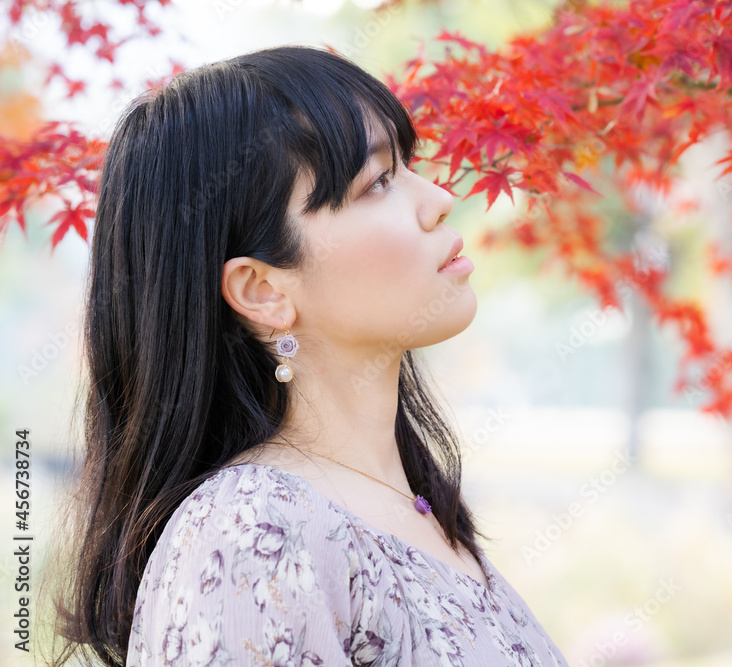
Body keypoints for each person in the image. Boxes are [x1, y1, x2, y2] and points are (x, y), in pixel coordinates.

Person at [46, 44, 569, 666]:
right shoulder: (252, 532)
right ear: (263, 290)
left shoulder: (422, 509)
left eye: (408, 166)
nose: (437, 199)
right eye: (377, 182)